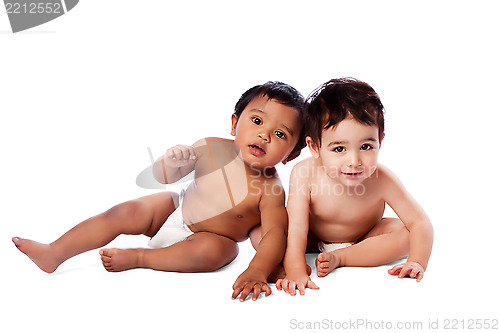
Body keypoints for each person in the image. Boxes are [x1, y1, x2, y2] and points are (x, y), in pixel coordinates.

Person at [12, 81, 306, 302]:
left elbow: (274, 235)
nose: (264, 134)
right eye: (257, 121)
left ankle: (140, 257)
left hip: (212, 237)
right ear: (234, 123)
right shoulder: (211, 147)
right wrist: (173, 162)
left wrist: (257, 270)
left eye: (280, 134)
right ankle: (54, 252)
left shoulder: (270, 189)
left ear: (290, 154)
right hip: (177, 209)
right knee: (126, 212)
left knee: (218, 251)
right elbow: (163, 176)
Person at [276, 78, 433, 296]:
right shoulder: (304, 173)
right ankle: (323, 255)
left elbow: (420, 222)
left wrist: (417, 262)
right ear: (314, 147)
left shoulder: (383, 178)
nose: (354, 161)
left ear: (380, 141)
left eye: (366, 146)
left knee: (406, 235)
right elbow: (298, 227)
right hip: (312, 237)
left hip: (365, 237)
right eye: (339, 149)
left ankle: (343, 257)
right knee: (272, 233)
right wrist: (294, 267)